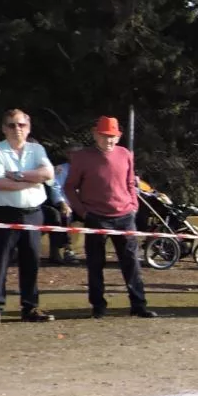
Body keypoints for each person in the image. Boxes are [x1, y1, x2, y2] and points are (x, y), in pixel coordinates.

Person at [64, 116, 157, 319]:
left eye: (113, 137)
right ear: (95, 134)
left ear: (119, 136)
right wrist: (83, 212)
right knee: (95, 263)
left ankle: (138, 304)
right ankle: (98, 306)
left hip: (125, 215)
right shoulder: (81, 157)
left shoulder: (125, 154)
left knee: (131, 261)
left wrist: (133, 205)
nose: (109, 141)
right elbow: (69, 187)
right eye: (105, 136)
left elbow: (131, 182)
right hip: (95, 216)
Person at [0, 109, 56, 324]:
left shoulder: (37, 149)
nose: (17, 129)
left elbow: (48, 174)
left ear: (28, 127)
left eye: (21, 125)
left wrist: (18, 175)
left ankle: (30, 308)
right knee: (1, 261)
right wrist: (33, 180)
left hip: (33, 213)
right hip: (4, 213)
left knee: (32, 260)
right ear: (4, 129)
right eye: (12, 125)